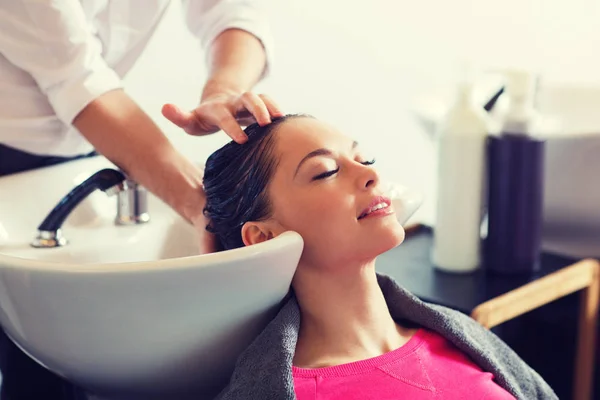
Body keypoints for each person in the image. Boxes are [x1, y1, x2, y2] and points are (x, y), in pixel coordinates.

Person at [0, 1, 281, 398]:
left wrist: (225, 89)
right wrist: (200, 204)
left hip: (88, 141)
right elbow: (77, 78)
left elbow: (231, 9)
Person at [201, 114, 557, 399]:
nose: (371, 174)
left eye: (363, 159)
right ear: (264, 236)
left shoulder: (460, 338)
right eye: (326, 171)